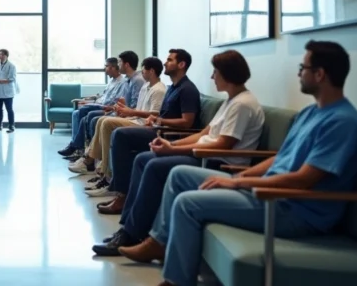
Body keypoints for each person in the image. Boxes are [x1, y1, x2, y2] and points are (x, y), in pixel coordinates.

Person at [119, 41, 357, 286]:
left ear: (320, 74)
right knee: (179, 175)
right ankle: (158, 242)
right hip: (268, 191)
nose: (299, 72)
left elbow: (304, 179)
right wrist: (240, 180)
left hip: (292, 208)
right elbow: (279, 159)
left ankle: (176, 281)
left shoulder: (342, 122)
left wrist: (239, 182)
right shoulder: (310, 113)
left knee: (188, 202)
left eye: (304, 67)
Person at [93, 50, 264, 256]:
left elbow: (223, 145)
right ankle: (129, 229)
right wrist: (170, 144)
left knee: (154, 165)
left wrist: (174, 148)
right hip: (202, 154)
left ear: (228, 74)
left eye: (215, 72)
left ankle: (134, 234)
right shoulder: (230, 101)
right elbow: (204, 133)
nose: (212, 77)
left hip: (218, 162)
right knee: (142, 159)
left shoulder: (243, 104)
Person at [98, 49, 200, 214]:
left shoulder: (187, 89)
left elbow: (187, 122)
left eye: (169, 60)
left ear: (181, 65)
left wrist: (158, 120)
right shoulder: (173, 87)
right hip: (157, 128)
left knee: (120, 134)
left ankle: (122, 195)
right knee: (120, 135)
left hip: (166, 133)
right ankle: (121, 192)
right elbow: (160, 113)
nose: (165, 63)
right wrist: (154, 119)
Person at [75, 57, 167, 193]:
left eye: (144, 70)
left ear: (151, 71)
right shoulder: (146, 86)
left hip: (143, 124)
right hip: (136, 119)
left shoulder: (159, 90)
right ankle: (97, 166)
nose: (141, 72)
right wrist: (125, 109)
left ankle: (104, 173)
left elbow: (154, 114)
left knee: (106, 122)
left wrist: (130, 111)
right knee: (101, 120)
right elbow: (138, 109)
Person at [63, 51, 146, 163]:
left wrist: (114, 108)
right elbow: (122, 101)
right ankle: (86, 154)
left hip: (127, 114)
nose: (118, 65)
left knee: (92, 116)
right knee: (84, 115)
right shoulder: (128, 80)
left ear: (126, 64)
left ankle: (89, 157)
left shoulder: (136, 80)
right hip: (118, 110)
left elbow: (134, 105)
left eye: (120, 62)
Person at [58, 58, 125, 157]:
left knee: (83, 111)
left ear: (112, 67)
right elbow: (104, 96)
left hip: (106, 107)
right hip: (100, 103)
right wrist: (92, 98)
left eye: (106, 66)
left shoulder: (121, 82)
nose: (104, 69)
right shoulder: (112, 81)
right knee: (76, 113)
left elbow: (115, 101)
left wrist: (105, 105)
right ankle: (76, 146)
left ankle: (76, 147)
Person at [0, 49, 17, 133]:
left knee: (9, 109)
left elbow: (11, 79)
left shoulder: (11, 66)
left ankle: (11, 126)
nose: (0, 56)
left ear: (6, 55)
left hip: (8, 92)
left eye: (2, 55)